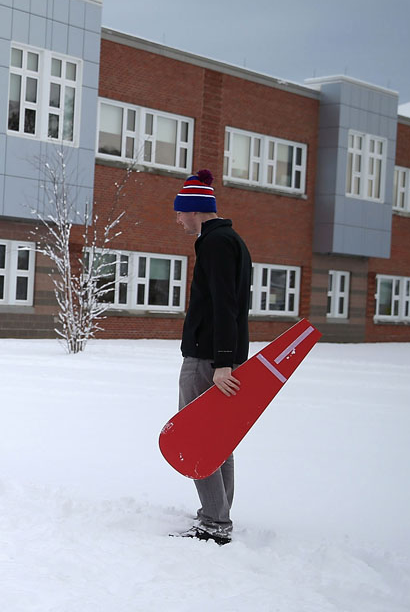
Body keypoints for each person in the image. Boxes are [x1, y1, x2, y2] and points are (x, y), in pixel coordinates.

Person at [172, 169, 251, 545]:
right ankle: (216, 516)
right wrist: (231, 359)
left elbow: (225, 305)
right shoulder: (230, 240)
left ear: (196, 209)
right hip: (219, 358)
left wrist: (221, 362)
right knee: (220, 438)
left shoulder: (216, 244)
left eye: (180, 212)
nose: (178, 220)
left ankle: (215, 524)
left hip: (206, 360)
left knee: (196, 436)